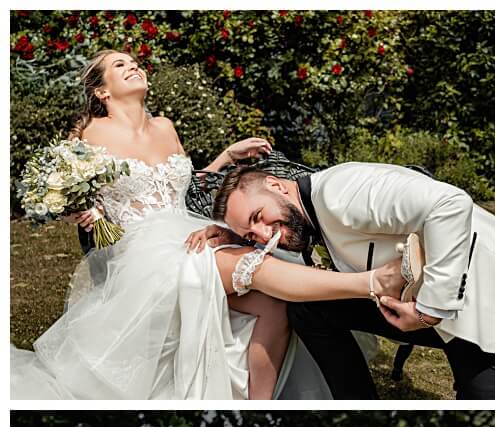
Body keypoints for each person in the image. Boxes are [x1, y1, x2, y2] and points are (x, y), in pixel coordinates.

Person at [10, 50, 411, 401]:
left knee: (274, 303)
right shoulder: (91, 135)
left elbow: (183, 183)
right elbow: (63, 190)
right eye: (119, 65)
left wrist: (225, 156)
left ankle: (259, 402)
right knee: (258, 269)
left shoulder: (164, 126)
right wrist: (81, 210)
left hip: (187, 227)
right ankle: (373, 282)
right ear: (101, 91)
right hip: (144, 251)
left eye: (134, 62)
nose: (134, 67)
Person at [207, 160, 495, 401]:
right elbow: (282, 265)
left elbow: (450, 203)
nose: (266, 235)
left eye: (258, 217)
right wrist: (233, 238)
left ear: (276, 184)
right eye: (252, 234)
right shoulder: (301, 214)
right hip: (417, 307)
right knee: (309, 306)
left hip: (489, 307)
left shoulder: (341, 192)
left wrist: (430, 309)